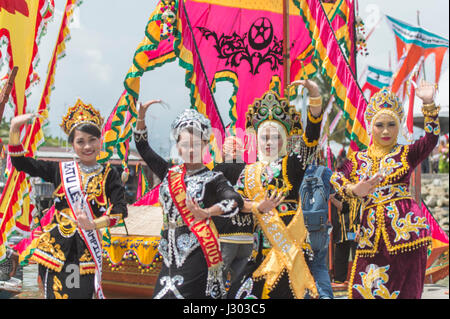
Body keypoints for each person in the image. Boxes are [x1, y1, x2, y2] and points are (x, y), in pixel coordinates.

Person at [134, 103, 280, 299]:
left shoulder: (213, 178)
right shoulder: (169, 173)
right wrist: (141, 118)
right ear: (177, 146)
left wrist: (208, 213)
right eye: (184, 145)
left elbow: (233, 200)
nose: (190, 150)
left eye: (195, 144)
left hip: (197, 252)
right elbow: (143, 148)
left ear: (204, 145)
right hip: (169, 254)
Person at [330, 81, 440, 299]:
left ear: (398, 126)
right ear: (371, 126)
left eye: (392, 124)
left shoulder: (406, 153)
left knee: (406, 293)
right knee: (364, 290)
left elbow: (431, 138)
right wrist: (354, 189)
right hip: (371, 237)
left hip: (407, 236)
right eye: (380, 125)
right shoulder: (358, 159)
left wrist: (428, 103)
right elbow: (335, 178)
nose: (386, 130)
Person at [8, 99, 127, 299]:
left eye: (92, 140)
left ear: (100, 141)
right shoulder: (60, 170)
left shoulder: (110, 174)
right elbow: (20, 162)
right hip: (55, 249)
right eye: (80, 141)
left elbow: (120, 212)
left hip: (87, 250)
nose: (87, 146)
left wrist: (92, 224)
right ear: (72, 145)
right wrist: (14, 128)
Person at [229, 79, 323, 299]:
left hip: (292, 246)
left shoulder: (292, 163)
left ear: (285, 139)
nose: (269, 142)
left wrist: (315, 97)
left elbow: (311, 138)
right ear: (256, 139)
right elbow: (234, 204)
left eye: (275, 137)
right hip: (260, 247)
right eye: (264, 137)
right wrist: (254, 206)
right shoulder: (247, 172)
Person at [212, 136, 254, 294]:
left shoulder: (218, 171)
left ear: (224, 151)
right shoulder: (251, 170)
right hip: (247, 234)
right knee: (242, 282)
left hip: (225, 234)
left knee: (218, 279)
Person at [300, 162, 334, 299]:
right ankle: (325, 296)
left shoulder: (293, 169)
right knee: (319, 266)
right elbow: (331, 194)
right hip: (320, 227)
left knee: (302, 267)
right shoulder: (325, 171)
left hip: (300, 228)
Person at [330, 154, 358, 285]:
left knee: (357, 254)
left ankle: (358, 281)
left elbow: (344, 207)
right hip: (341, 229)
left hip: (352, 228)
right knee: (340, 256)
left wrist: (331, 198)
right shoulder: (334, 183)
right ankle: (339, 281)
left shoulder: (351, 185)